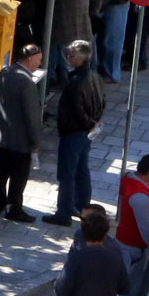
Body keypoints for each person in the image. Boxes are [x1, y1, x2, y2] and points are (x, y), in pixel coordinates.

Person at [44, 40, 103, 227]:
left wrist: (88, 123)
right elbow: (102, 101)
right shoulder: (94, 76)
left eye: (70, 55)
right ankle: (82, 206)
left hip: (74, 132)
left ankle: (64, 212)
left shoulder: (76, 82)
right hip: (86, 132)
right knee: (81, 169)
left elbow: (77, 109)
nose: (68, 58)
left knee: (67, 173)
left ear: (79, 59)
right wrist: (94, 123)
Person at [0, 42, 44, 223]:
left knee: (1, 170)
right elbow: (32, 116)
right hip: (20, 139)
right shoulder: (27, 83)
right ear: (30, 58)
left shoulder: (5, 72)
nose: (39, 64)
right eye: (38, 60)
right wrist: (35, 142)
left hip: (2, 134)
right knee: (19, 175)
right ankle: (13, 208)